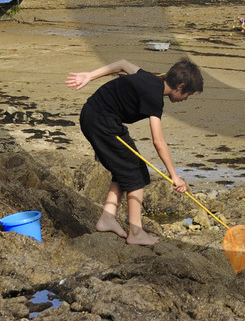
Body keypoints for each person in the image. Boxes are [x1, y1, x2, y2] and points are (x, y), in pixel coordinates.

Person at [65, 57, 203, 247]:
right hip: (101, 121)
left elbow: (121, 64)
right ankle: (136, 232)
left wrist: (90, 75)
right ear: (180, 87)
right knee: (136, 173)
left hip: (98, 116)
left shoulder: (150, 78)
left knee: (125, 168)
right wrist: (174, 176)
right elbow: (158, 141)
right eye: (188, 94)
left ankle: (107, 218)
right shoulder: (155, 97)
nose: (186, 98)